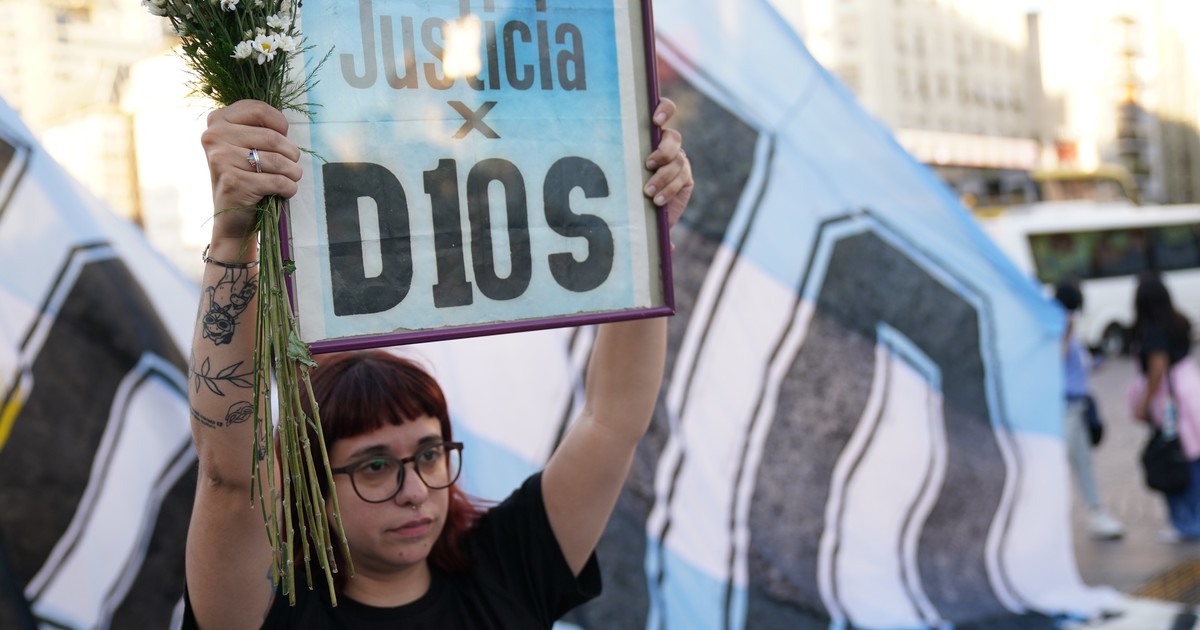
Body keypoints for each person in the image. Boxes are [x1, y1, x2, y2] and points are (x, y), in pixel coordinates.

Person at [183, 97, 693, 628]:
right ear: (310, 487)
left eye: (429, 455)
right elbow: (231, 477)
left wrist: (648, 233)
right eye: (375, 467)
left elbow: (612, 420)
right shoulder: (264, 610)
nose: (415, 492)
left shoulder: (509, 567)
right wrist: (234, 238)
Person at [1128, 276, 1200, 542]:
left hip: (1170, 403)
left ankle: (1186, 522)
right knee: (1192, 455)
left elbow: (1157, 370)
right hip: (1190, 391)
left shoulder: (1152, 331)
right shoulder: (1179, 321)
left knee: (1173, 456)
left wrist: (1143, 403)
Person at [1054, 281, 1124, 540]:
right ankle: (1082, 514)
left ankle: (1096, 513)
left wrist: (1095, 362)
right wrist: (1066, 333)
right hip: (1067, 406)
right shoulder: (1060, 327)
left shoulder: (1065, 326)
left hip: (1077, 405)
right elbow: (1056, 360)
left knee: (1081, 461)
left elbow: (1078, 363)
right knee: (1064, 462)